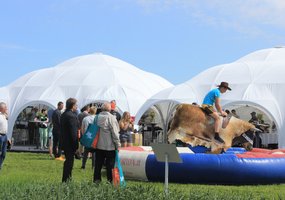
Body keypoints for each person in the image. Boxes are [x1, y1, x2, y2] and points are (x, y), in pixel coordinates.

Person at [94, 102, 120, 183]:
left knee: (98, 165)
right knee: (110, 166)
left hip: (98, 145)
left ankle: (96, 181)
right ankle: (110, 181)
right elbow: (115, 132)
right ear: (110, 109)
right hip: (110, 146)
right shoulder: (111, 118)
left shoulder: (96, 117)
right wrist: (117, 144)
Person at [60, 98, 79, 182]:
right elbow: (73, 132)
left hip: (65, 141)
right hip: (70, 143)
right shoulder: (72, 116)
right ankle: (66, 180)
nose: (77, 107)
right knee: (69, 163)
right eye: (76, 105)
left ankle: (67, 179)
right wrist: (76, 145)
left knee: (68, 161)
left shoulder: (64, 114)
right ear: (73, 106)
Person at [0, 102, 8, 170]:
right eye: (5, 107)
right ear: (2, 108)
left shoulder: (4, 115)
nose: (7, 109)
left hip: (5, 136)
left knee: (4, 153)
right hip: (0, 136)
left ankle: (0, 164)